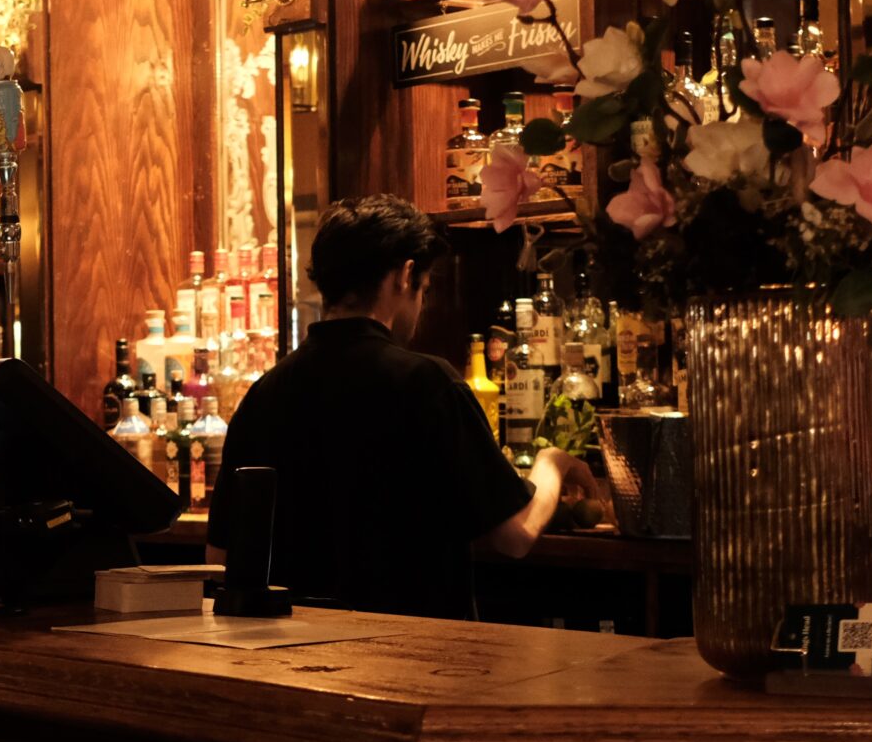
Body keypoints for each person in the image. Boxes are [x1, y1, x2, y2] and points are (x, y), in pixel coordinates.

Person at [207, 195, 596, 619]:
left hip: (292, 649)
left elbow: (220, 558)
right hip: (413, 651)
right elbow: (515, 535)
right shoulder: (427, 383)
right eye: (424, 289)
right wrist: (552, 462)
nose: (421, 306)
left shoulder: (264, 394)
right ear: (405, 275)